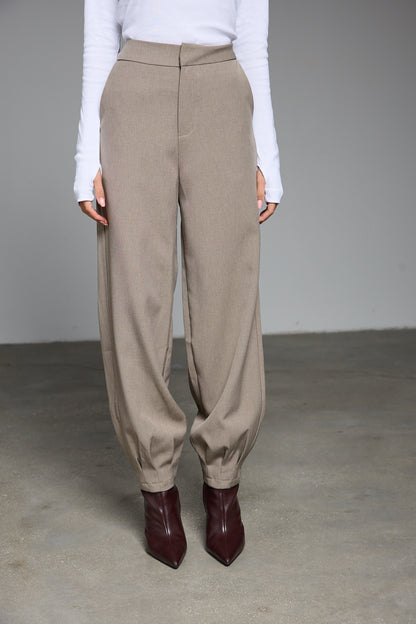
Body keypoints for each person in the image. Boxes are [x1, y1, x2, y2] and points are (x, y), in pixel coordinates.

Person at [73, 0, 283, 569]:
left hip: (223, 88)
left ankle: (223, 484)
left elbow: (253, 42)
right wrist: (86, 157)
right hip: (134, 88)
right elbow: (99, 36)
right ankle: (157, 487)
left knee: (227, 292)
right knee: (133, 293)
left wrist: (267, 154)